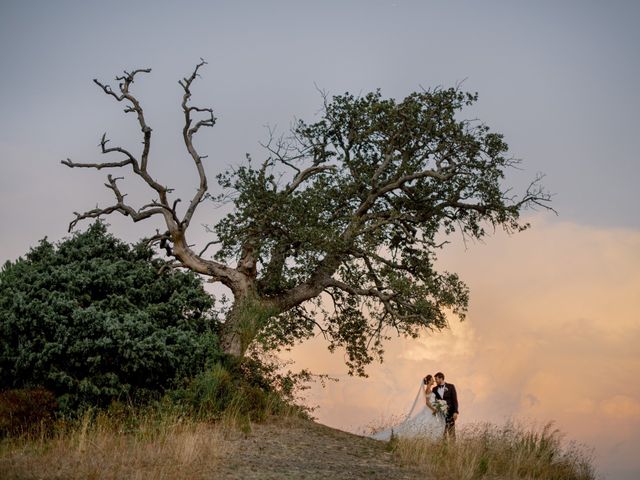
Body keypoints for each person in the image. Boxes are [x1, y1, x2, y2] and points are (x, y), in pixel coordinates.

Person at [371, 374, 445, 441]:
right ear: (429, 381)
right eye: (432, 379)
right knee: (423, 424)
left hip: (430, 410)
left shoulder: (429, 389)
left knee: (426, 424)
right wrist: (434, 409)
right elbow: (427, 402)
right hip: (430, 410)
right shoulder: (428, 390)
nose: (434, 380)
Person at [433, 372, 458, 440]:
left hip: (450, 413)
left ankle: (453, 448)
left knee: (451, 431)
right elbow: (434, 401)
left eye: (436, 379)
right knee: (442, 432)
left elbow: (454, 400)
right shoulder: (434, 389)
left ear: (441, 378)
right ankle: (443, 447)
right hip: (440, 414)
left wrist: (455, 412)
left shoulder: (451, 387)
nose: (435, 381)